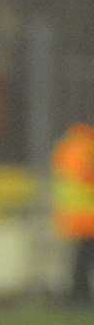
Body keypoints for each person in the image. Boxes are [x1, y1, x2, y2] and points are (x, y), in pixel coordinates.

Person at [53, 122, 94, 305]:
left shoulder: (67, 146)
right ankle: (78, 295)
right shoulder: (83, 148)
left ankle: (78, 294)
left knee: (81, 257)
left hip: (73, 214)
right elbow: (86, 176)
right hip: (86, 216)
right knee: (83, 257)